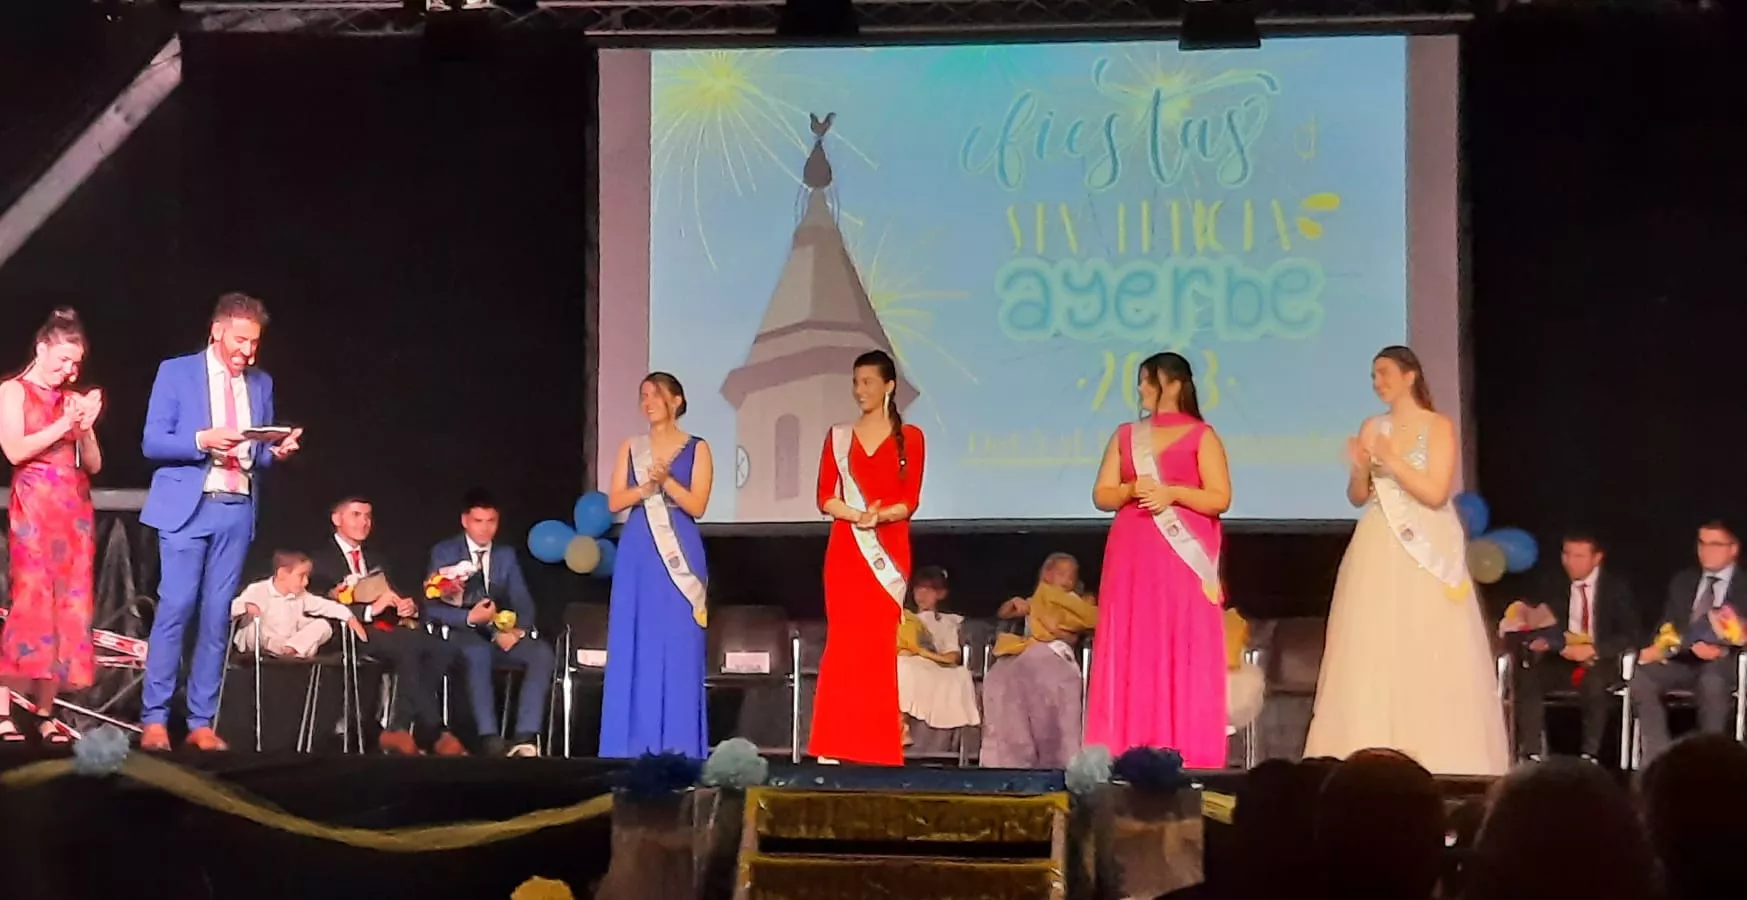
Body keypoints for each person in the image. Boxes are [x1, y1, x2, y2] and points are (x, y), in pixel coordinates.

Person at [1304, 345, 1508, 775]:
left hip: (1425, 545)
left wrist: (1391, 459)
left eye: (1384, 372)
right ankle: (1367, 752)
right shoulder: (1371, 425)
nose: (1377, 382)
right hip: (1379, 541)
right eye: (1373, 375)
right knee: (1373, 647)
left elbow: (1435, 492)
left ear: (1410, 375)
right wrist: (1360, 467)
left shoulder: (1438, 426)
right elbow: (1359, 496)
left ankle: (1439, 756)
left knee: (1427, 642)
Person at [139, 293, 302, 752]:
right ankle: (154, 720)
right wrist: (201, 439)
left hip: (235, 509)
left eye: (254, 343)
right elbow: (153, 441)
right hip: (189, 507)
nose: (246, 351)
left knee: (216, 619)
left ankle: (200, 722)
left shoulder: (260, 383)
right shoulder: (177, 372)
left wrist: (278, 451)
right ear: (217, 331)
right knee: (175, 610)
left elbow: (260, 454)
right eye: (240, 340)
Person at [1085, 351, 1231, 768]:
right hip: (1133, 551)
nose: (1142, 391)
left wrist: (1173, 494)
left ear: (1173, 384)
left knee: (1179, 640)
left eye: (1148, 382)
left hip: (1182, 558)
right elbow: (1102, 494)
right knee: (1134, 639)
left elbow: (1219, 497)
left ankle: (1186, 746)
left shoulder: (1203, 436)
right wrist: (1131, 488)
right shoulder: (1127, 434)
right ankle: (1127, 744)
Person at [809, 349, 925, 765]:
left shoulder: (910, 438)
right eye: (856, 382)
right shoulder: (839, 436)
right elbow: (825, 496)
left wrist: (881, 516)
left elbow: (909, 500)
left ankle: (876, 747)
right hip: (846, 549)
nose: (860, 390)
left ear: (889, 386)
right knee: (842, 644)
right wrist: (858, 515)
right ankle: (831, 744)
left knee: (877, 647)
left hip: (888, 549)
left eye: (869, 382)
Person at [0, 308, 102, 744]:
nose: (68, 370)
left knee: (69, 609)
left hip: (73, 509)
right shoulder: (12, 391)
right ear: (42, 349)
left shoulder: (70, 401)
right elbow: (15, 450)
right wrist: (64, 425)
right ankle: (3, 710)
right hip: (34, 505)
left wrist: (85, 427)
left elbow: (94, 464)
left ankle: (45, 711)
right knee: (31, 603)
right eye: (61, 360)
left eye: (75, 364)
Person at [600, 372, 713, 758]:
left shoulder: (698, 448)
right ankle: (630, 746)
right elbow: (615, 501)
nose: (647, 402)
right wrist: (644, 488)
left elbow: (697, 505)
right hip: (639, 549)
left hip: (680, 543)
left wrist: (667, 482)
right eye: (642, 395)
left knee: (679, 643)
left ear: (677, 401)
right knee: (638, 642)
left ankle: (679, 747)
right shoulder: (632, 447)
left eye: (656, 395)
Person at [309, 496, 465, 756]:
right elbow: (317, 605)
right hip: (350, 631)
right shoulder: (320, 561)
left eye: (368, 516)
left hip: (388, 628)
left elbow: (398, 592)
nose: (364, 522)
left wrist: (409, 606)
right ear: (337, 519)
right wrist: (369, 610)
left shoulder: (377, 558)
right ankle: (432, 731)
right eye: (356, 515)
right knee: (407, 647)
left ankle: (399, 726)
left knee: (442, 649)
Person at [426, 490, 555, 758]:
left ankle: (525, 736)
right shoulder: (444, 552)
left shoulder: (506, 555)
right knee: (478, 652)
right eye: (478, 521)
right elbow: (431, 608)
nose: (485, 529)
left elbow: (523, 601)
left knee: (541, 653)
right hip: (462, 634)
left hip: (500, 632)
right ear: (465, 521)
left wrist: (518, 630)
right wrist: (468, 619)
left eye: (491, 521)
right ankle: (490, 737)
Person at [1510, 532, 1640, 762]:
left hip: (1599, 659)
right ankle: (1531, 753)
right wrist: (1547, 641)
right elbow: (1538, 622)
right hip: (1562, 656)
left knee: (1595, 682)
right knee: (1529, 676)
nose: (1571, 562)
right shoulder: (1552, 584)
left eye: (1579, 556)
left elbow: (1631, 634)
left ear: (1597, 558)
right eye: (1567, 554)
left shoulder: (1616, 588)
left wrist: (1595, 649)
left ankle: (1590, 755)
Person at [1629, 520, 1743, 764]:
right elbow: (1668, 625)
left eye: (1715, 544)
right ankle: (1657, 759)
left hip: (1724, 664)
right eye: (1701, 543)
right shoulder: (1683, 581)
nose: (1705, 550)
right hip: (1683, 658)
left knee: (1712, 679)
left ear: (1733, 549)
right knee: (1642, 674)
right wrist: (1672, 646)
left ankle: (1709, 761)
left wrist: (1723, 648)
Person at [981, 553, 1098, 769]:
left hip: (1054, 652)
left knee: (1036, 665)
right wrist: (1014, 604)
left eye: (1071, 576)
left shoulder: (1074, 602)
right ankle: (1007, 759)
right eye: (1061, 574)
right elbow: (1004, 613)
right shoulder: (1037, 600)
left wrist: (1053, 629)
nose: (1066, 580)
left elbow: (1078, 631)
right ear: (1047, 574)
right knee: (999, 677)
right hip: (1025, 652)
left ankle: (1057, 758)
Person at [896, 566, 980, 752]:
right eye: (919, 589)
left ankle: (902, 726)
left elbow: (952, 656)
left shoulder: (946, 621)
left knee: (903, 667)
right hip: (905, 658)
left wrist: (923, 653)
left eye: (929, 589)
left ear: (941, 594)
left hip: (934, 665)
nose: (922, 594)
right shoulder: (905, 618)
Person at [231, 550, 368, 658]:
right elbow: (232, 607)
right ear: (282, 573)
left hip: (286, 639)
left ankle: (292, 649)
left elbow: (326, 606)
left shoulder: (301, 596)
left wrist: (349, 617)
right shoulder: (259, 589)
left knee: (323, 626)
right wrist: (247, 607)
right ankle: (286, 649)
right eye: (301, 576)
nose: (306, 582)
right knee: (255, 626)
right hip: (260, 640)